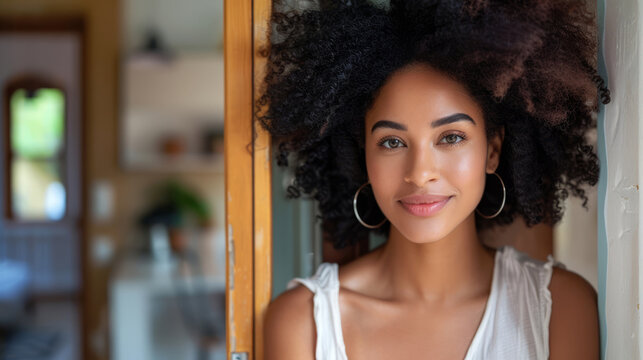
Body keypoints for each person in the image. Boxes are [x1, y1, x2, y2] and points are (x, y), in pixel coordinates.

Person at [256, 0, 610, 359]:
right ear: (364, 153)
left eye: (451, 137)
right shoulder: (305, 322)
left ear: (492, 150)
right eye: (392, 142)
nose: (420, 173)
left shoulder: (558, 309)